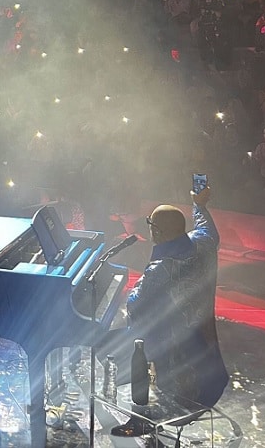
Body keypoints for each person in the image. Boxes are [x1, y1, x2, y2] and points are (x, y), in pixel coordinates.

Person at [109, 186, 229, 435]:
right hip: (202, 337)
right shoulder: (204, 243)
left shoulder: (162, 267)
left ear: (156, 231)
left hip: (174, 342)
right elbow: (207, 226)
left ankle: (140, 417)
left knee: (134, 342)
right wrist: (199, 204)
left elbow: (134, 303)